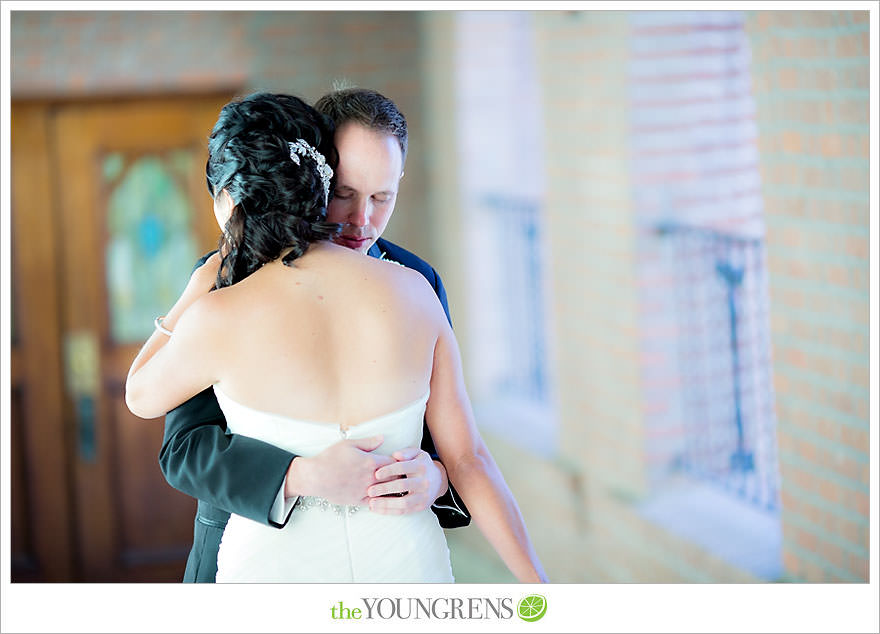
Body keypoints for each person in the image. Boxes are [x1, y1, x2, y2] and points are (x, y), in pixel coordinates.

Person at [126, 91, 546, 583]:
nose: (360, 220)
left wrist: (436, 478)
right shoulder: (223, 282)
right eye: (344, 193)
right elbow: (185, 449)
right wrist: (299, 474)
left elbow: (460, 453)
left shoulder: (418, 279)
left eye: (382, 197)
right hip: (266, 544)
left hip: (387, 551)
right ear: (313, 176)